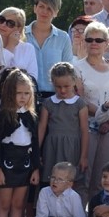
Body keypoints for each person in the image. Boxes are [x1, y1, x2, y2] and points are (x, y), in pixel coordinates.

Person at [0, 70, 40, 217]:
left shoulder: (31, 115)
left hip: (24, 162)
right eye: (19, 93)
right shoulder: (4, 115)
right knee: (4, 203)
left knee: (18, 203)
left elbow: (35, 143)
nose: (23, 97)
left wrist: (35, 168)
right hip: (6, 162)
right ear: (10, 93)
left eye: (27, 93)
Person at [74, 22, 109, 197]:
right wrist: (104, 117)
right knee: (83, 177)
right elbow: (80, 99)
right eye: (89, 39)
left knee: (103, 179)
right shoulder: (77, 67)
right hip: (87, 127)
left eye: (98, 39)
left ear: (106, 43)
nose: (94, 43)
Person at [38, 62, 90, 201]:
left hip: (72, 148)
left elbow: (84, 130)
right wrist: (37, 151)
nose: (62, 90)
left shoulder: (79, 104)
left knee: (70, 182)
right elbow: (42, 128)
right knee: (52, 182)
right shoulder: (48, 103)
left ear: (74, 81)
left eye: (66, 86)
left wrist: (84, 156)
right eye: (58, 86)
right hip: (52, 148)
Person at [26, 0, 73, 98]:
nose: (44, 11)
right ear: (35, 8)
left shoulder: (63, 38)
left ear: (56, 12)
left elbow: (68, 71)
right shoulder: (21, 35)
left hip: (55, 97)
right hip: (25, 96)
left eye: (49, 8)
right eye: (41, 6)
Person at [0, 7, 38, 81]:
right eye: (1, 20)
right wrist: (10, 47)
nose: (3, 25)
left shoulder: (28, 48)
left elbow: (33, 78)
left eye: (10, 23)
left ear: (19, 28)